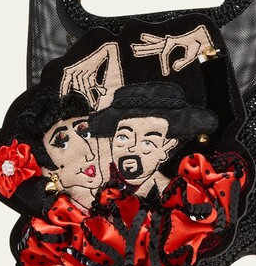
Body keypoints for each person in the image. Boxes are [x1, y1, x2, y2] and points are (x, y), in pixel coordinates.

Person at [89, 82, 218, 197]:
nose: (132, 148)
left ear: (166, 148)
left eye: (147, 142)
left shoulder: (170, 192)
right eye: (123, 137)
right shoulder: (94, 179)